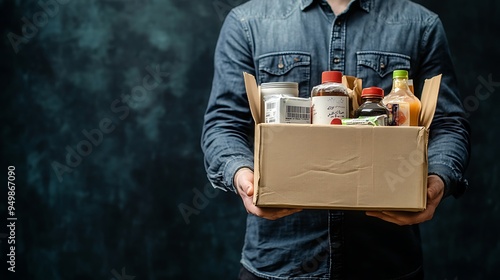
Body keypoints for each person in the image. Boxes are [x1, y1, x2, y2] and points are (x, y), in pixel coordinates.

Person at [201, 0, 470, 278]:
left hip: (385, 259)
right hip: (280, 260)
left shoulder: (419, 25)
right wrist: (241, 175)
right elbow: (224, 123)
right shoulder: (248, 22)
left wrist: (437, 180)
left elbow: (447, 124)